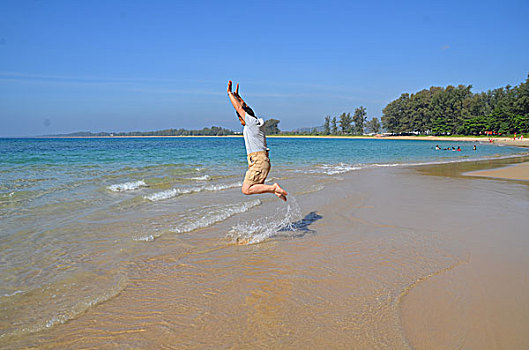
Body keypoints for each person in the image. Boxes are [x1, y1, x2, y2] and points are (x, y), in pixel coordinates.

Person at [227, 81, 288, 201]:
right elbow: (246, 108)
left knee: (246, 189)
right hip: (262, 161)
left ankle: (274, 188)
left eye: (240, 119)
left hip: (258, 162)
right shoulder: (256, 122)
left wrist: (229, 94)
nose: (241, 121)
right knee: (256, 186)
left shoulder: (250, 123)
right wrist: (238, 97)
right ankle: (274, 191)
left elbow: (239, 108)